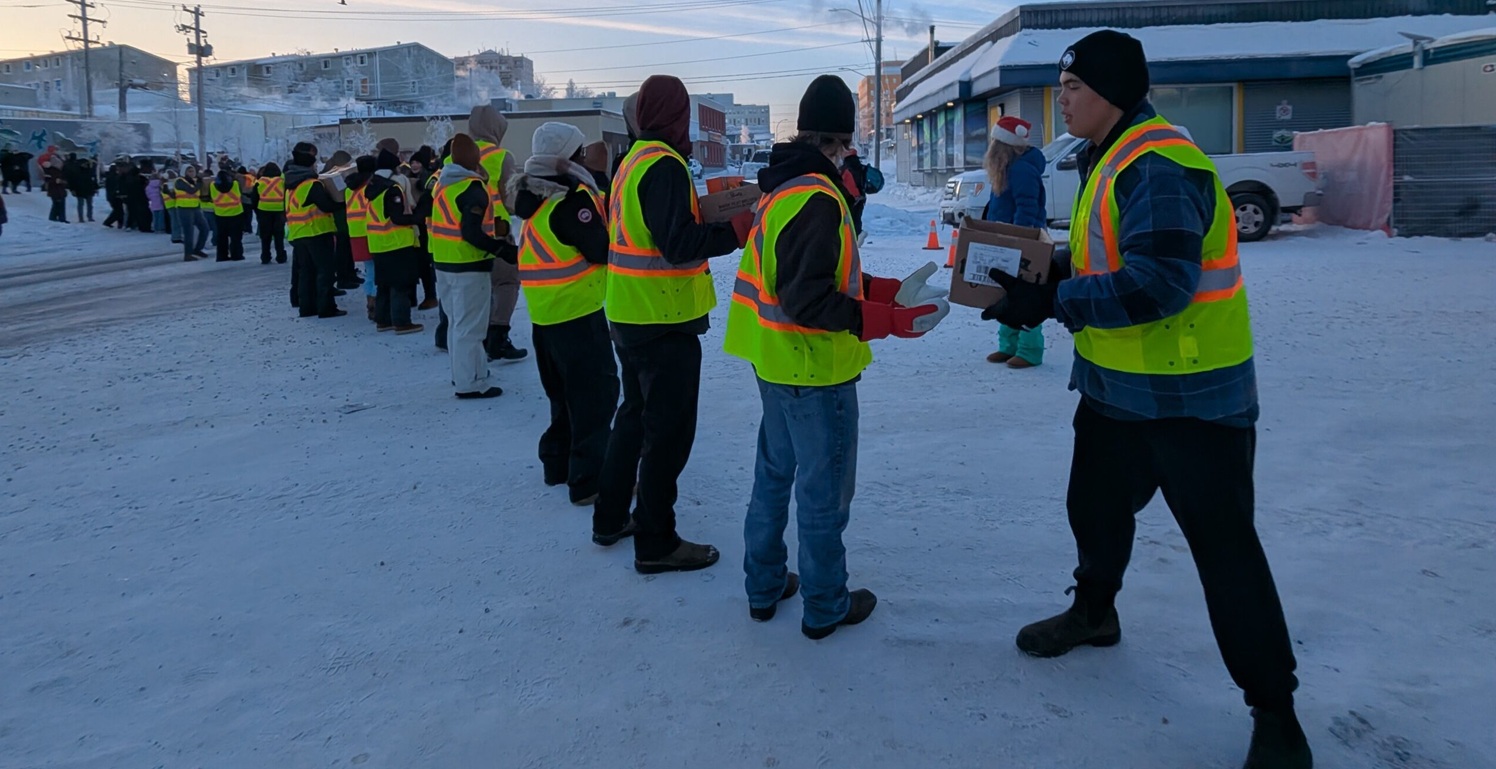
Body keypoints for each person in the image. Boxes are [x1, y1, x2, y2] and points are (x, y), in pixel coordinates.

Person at [980, 31, 1311, 769]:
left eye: (1072, 85)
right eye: (1062, 84)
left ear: (1112, 93)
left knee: (1225, 553)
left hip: (1193, 399)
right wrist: (1042, 273)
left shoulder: (1158, 162)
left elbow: (1161, 282)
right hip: (1115, 392)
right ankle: (1094, 612)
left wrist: (1054, 301)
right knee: (1093, 509)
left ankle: (1276, 712)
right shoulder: (1109, 157)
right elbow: (1110, 252)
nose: (1061, 96)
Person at [724, 75, 951, 638]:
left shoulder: (783, 187)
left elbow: (813, 278)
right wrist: (887, 322)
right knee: (823, 495)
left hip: (774, 363)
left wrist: (882, 289)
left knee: (773, 479)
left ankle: (764, 585)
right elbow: (809, 299)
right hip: (814, 371)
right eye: (848, 146)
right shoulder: (818, 198)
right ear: (842, 142)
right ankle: (826, 604)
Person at [589, 74, 754, 572]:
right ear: (675, 115)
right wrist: (735, 231)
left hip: (630, 312)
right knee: (667, 434)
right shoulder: (662, 165)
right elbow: (677, 244)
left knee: (635, 417)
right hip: (662, 319)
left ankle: (610, 517)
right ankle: (656, 542)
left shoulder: (631, 162)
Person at [510, 121, 620, 506]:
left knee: (563, 397)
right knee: (596, 397)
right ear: (571, 157)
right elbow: (599, 249)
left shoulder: (537, 199)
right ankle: (589, 481)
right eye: (582, 152)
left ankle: (557, 465)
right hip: (578, 314)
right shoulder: (572, 202)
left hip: (545, 316)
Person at [430, 133, 513, 399]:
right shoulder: (472, 189)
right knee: (471, 328)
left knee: (458, 325)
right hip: (468, 265)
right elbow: (471, 232)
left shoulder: (443, 184)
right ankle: (470, 384)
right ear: (476, 160)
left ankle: (468, 375)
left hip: (444, 263)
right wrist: (501, 249)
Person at [981, 115, 1050, 370]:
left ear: (1001, 146)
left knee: (1025, 294)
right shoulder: (1007, 169)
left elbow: (1027, 206)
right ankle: (1008, 346)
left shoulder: (1021, 169)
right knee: (1004, 292)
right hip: (1005, 238)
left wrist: (1021, 238)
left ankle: (1030, 350)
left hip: (1020, 241)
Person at [467, 104, 528, 362]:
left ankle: (475, 337)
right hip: (496, 230)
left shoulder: (451, 157)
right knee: (506, 282)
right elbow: (509, 198)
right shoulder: (501, 156)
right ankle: (498, 337)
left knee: (475, 287)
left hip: (460, 233)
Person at [365, 147, 425, 334]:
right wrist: (418, 217)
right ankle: (402, 322)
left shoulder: (373, 188)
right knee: (400, 284)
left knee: (383, 284)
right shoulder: (392, 190)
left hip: (378, 243)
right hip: (396, 242)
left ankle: (383, 320)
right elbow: (398, 217)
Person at [285, 142, 346, 318]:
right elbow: (327, 206)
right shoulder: (312, 184)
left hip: (298, 233)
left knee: (305, 272)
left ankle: (307, 307)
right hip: (317, 232)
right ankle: (326, 307)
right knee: (325, 272)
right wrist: (342, 202)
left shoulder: (291, 185)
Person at [344, 156, 376, 319]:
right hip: (371, 230)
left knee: (369, 269)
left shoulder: (349, 188)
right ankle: (375, 304)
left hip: (355, 232)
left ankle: (370, 302)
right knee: (376, 270)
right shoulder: (370, 186)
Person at [409, 144, 440, 310]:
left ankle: (430, 296)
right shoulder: (407, 177)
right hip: (414, 225)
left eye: (417, 163)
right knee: (414, 262)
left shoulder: (430, 180)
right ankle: (412, 296)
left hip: (425, 226)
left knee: (425, 263)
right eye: (412, 162)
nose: (414, 165)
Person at [253, 162, 288, 264]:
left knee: (265, 236)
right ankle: (281, 256)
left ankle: (265, 256)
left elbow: (254, 198)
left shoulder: (260, 182)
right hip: (279, 211)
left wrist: (257, 211)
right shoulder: (282, 181)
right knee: (279, 235)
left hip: (264, 211)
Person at [211, 160, 246, 261]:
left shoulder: (212, 186)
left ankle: (222, 256)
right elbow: (241, 192)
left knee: (222, 237)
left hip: (220, 214)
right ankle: (237, 255)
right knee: (236, 237)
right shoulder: (235, 184)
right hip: (236, 213)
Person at [174, 165, 210, 260]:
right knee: (188, 232)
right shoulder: (180, 181)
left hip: (195, 207)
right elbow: (191, 191)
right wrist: (199, 183)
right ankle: (188, 254)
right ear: (184, 172)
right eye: (189, 171)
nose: (192, 173)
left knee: (205, 228)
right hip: (184, 209)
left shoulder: (194, 181)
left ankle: (198, 249)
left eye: (193, 171)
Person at [838, 147, 868, 239]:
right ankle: (857, 235)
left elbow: (849, 183)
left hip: (852, 197)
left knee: (849, 218)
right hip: (861, 196)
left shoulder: (846, 167)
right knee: (856, 217)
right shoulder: (860, 166)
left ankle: (857, 236)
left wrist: (854, 196)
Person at [65, 153, 98, 223]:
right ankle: (82, 218)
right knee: (81, 204)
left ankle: (89, 217)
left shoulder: (88, 171)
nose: (85, 165)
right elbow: (72, 181)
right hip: (80, 190)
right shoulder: (77, 172)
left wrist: (95, 188)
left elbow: (93, 180)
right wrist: (72, 189)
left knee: (88, 204)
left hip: (87, 190)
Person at [44, 156, 69, 222]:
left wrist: (62, 181)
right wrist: (56, 181)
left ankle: (54, 217)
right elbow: (48, 180)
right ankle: (59, 218)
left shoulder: (56, 171)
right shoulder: (53, 171)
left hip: (57, 190)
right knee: (58, 204)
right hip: (56, 190)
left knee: (57, 204)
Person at [102, 163, 126, 228]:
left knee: (118, 210)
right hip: (115, 196)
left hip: (111, 196)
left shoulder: (108, 176)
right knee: (118, 211)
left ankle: (118, 223)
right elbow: (117, 186)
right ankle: (109, 222)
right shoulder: (115, 177)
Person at [147, 170, 166, 235]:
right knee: (161, 217)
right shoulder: (160, 185)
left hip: (153, 203)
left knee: (155, 217)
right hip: (160, 202)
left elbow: (148, 195)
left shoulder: (148, 187)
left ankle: (156, 228)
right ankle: (161, 228)